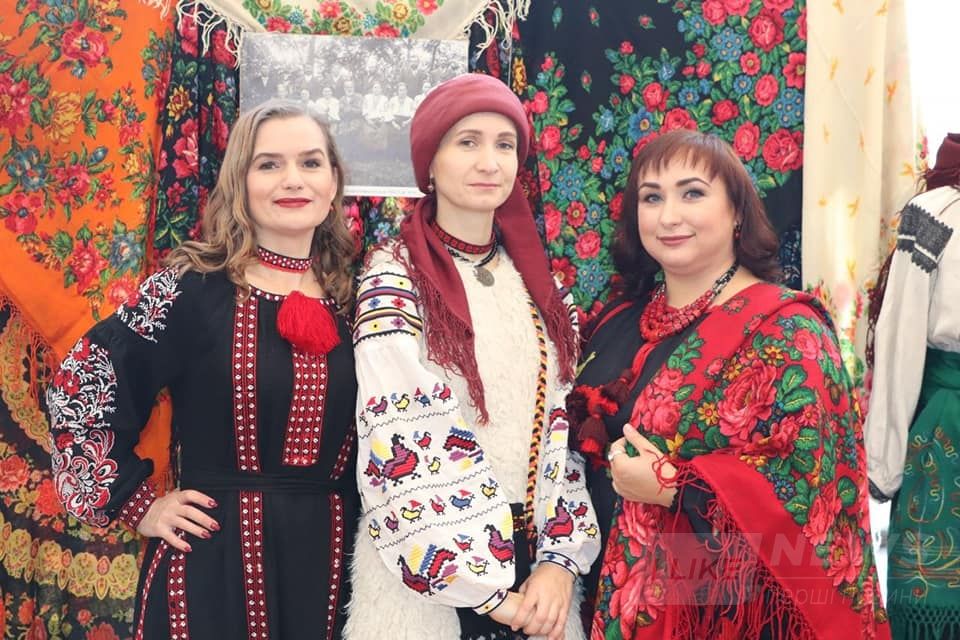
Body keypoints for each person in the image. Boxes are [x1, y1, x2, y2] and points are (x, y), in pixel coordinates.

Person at [46, 100, 359, 638]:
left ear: (333, 181)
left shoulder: (361, 298)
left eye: (310, 162)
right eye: (269, 164)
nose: (293, 179)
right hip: (214, 565)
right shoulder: (190, 289)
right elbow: (84, 386)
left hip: (333, 567)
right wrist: (138, 504)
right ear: (240, 181)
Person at [568, 130, 890, 639]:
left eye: (692, 193)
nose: (669, 216)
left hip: (719, 615)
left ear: (737, 211)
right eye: (652, 198)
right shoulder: (614, 320)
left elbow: (812, 494)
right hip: (593, 599)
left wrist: (675, 490)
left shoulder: (788, 332)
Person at [345, 73, 601, 640]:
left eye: (504, 145)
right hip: (428, 582)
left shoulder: (543, 288)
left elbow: (564, 432)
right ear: (430, 165)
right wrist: (487, 595)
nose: (489, 162)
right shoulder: (393, 278)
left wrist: (560, 563)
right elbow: (398, 440)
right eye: (468, 142)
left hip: (539, 584)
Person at [864, 133, 960, 640]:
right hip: (947, 435)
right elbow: (900, 337)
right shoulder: (937, 213)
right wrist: (884, 461)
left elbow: (899, 336)